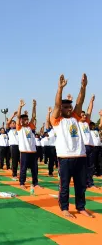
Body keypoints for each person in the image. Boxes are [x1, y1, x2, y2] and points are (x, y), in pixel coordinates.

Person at [50, 73, 93, 218]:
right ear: (61, 109)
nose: (69, 108)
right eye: (66, 107)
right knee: (64, 185)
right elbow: (56, 104)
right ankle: (64, 208)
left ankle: (81, 207)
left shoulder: (75, 117)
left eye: (70, 106)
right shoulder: (56, 120)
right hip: (65, 157)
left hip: (80, 155)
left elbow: (80, 101)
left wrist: (83, 86)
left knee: (81, 185)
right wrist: (60, 88)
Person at [17, 99, 40, 189]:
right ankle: (22, 183)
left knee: (35, 169)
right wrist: (20, 106)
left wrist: (34, 106)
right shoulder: (19, 128)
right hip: (24, 151)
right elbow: (18, 117)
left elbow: (33, 117)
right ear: (21, 121)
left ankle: (35, 183)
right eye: (25, 120)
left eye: (27, 119)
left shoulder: (30, 127)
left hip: (33, 151)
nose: (27, 121)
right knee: (23, 169)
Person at [78, 95, 97, 188]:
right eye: (82, 115)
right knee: (83, 167)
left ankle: (90, 183)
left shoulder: (87, 122)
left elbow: (90, 110)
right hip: (82, 147)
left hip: (90, 146)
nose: (84, 116)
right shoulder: (77, 123)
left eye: (84, 115)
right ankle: (83, 182)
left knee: (91, 166)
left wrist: (91, 101)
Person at [6, 112, 20, 177]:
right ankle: (14, 174)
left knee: (21, 160)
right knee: (14, 160)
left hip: (20, 146)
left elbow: (20, 122)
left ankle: (21, 173)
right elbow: (7, 123)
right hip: (13, 146)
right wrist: (13, 115)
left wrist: (18, 117)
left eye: (14, 123)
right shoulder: (9, 130)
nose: (14, 124)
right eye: (12, 123)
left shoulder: (19, 129)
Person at [90, 111, 102, 176]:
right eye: (91, 125)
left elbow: (100, 124)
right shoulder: (88, 131)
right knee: (93, 161)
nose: (92, 126)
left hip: (99, 147)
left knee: (99, 160)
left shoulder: (96, 130)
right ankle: (93, 172)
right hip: (93, 147)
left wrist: (101, 116)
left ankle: (99, 172)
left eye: (93, 125)